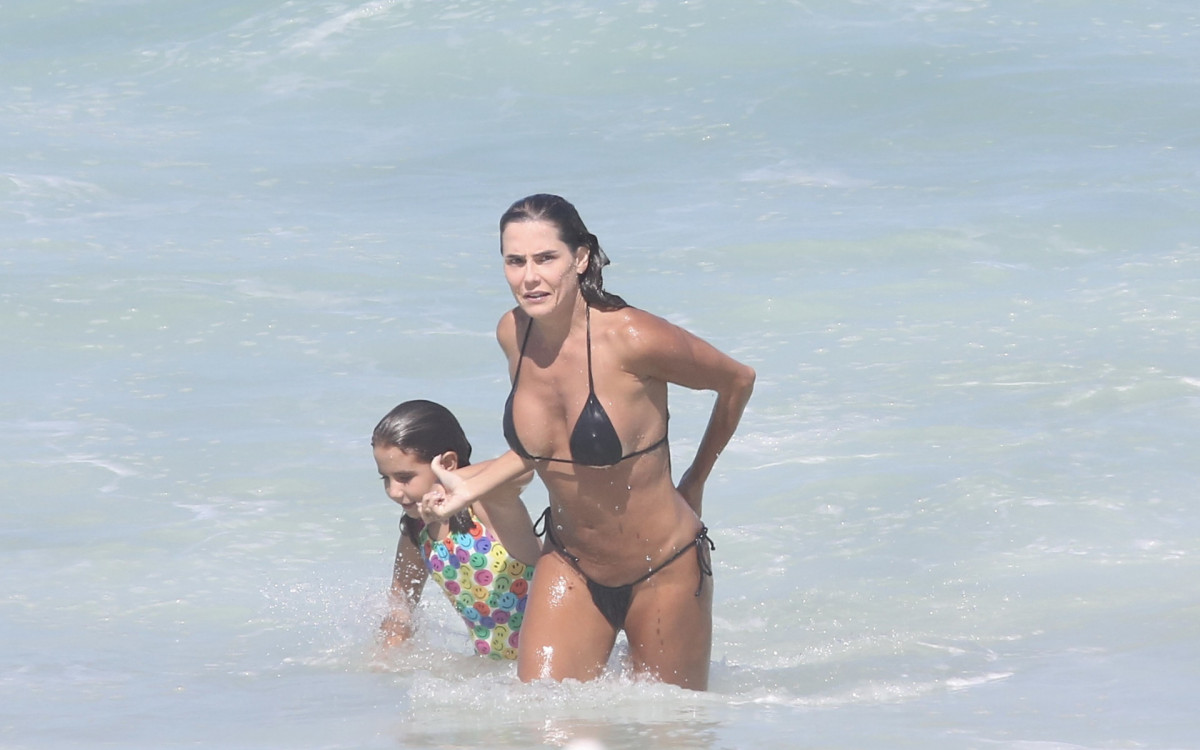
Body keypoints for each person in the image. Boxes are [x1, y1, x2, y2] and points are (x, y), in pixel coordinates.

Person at [420, 194, 755, 690]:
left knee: (670, 734)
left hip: (662, 566)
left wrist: (696, 478)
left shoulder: (634, 337)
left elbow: (737, 380)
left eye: (545, 258)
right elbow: (544, 448)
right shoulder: (514, 334)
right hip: (570, 562)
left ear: (579, 258)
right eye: (515, 261)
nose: (529, 277)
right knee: (545, 724)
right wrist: (471, 486)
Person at [372, 399, 540, 660]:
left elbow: (524, 467)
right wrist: (382, 660)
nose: (393, 491)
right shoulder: (418, 533)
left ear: (448, 464)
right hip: (495, 668)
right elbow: (400, 611)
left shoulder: (486, 505)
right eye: (386, 478)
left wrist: (453, 485)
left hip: (555, 661)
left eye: (405, 478)